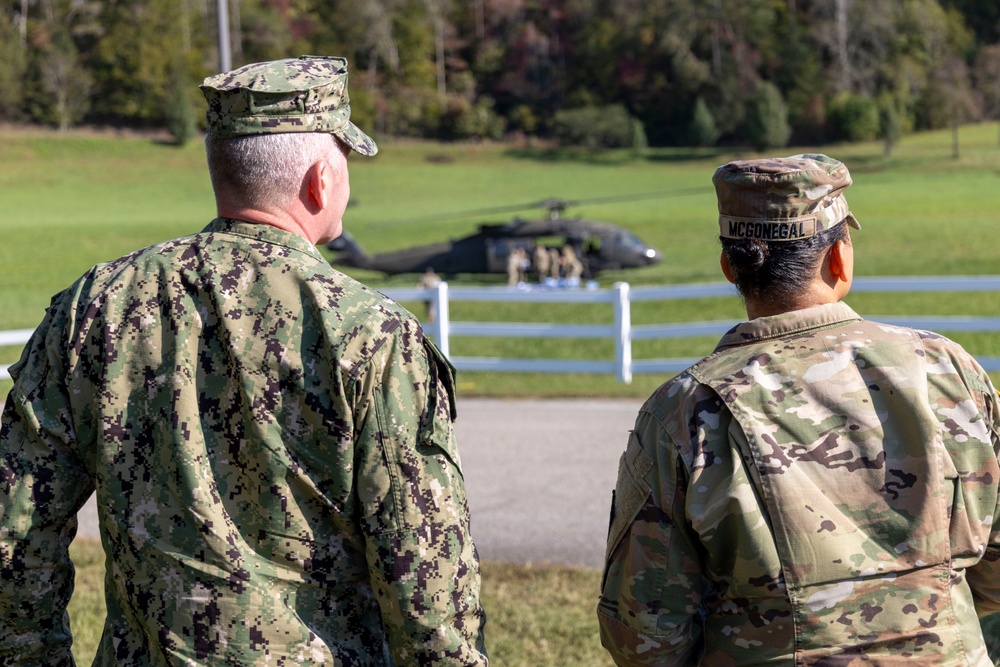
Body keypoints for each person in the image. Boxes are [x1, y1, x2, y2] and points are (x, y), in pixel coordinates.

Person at [0, 56, 488, 665]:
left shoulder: (95, 307)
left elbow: (16, 526)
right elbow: (427, 581)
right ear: (320, 183)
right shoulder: (370, 334)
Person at [598, 154, 1000, 665]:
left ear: (730, 267)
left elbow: (644, 636)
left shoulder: (684, 411)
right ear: (839, 258)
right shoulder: (947, 369)